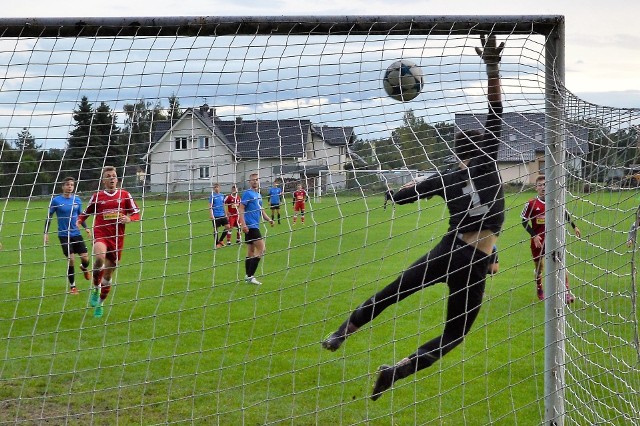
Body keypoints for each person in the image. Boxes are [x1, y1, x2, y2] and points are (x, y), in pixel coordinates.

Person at [322, 34, 506, 401]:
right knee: (455, 334)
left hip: (447, 250)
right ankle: (400, 368)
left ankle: (341, 333)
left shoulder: (445, 178)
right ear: (484, 148)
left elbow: (403, 196)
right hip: (475, 261)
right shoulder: (488, 163)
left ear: (456, 153)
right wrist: (491, 65)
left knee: (393, 292)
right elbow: (496, 110)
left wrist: (391, 190)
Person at [77, 166, 140, 318]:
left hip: (117, 239)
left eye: (114, 176)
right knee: (99, 258)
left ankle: (100, 303)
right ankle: (95, 287)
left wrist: (129, 218)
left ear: (117, 179)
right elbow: (85, 213)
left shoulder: (125, 195)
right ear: (103, 180)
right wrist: (78, 221)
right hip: (101, 234)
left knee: (108, 275)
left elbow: (136, 213)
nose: (112, 178)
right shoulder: (97, 196)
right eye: (108, 176)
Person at [521, 175, 581, 302]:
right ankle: (539, 288)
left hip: (553, 239)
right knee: (539, 267)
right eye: (540, 185)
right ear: (536, 187)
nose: (543, 187)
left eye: (545, 184)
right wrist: (534, 235)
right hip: (538, 242)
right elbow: (524, 221)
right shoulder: (531, 203)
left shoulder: (554, 201)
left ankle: (566, 292)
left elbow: (564, 214)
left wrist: (574, 227)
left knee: (560, 263)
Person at [44, 177, 92, 294]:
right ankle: (73, 287)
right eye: (67, 184)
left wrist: (86, 228)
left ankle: (84, 267)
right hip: (64, 235)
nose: (70, 186)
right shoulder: (56, 201)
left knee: (86, 259)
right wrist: (45, 233)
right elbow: (49, 217)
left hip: (76, 233)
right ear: (63, 186)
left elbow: (81, 216)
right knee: (71, 259)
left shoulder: (77, 200)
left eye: (71, 185)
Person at [238, 173, 274, 285]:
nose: (255, 181)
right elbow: (241, 208)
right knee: (262, 249)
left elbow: (261, 211)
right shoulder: (247, 194)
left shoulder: (258, 195)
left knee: (251, 251)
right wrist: (243, 224)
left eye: (256, 180)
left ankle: (247, 276)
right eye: (253, 180)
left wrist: (269, 220)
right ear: (249, 182)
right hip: (250, 226)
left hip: (254, 226)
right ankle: (250, 276)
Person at [209, 183, 230, 249]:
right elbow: (210, 206)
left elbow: (223, 205)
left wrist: (226, 213)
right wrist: (211, 214)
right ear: (213, 188)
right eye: (215, 187)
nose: (216, 188)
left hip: (222, 215)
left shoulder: (222, 195)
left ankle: (221, 240)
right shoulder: (212, 196)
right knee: (216, 229)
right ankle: (216, 244)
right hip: (216, 215)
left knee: (228, 227)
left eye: (217, 187)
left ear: (219, 188)